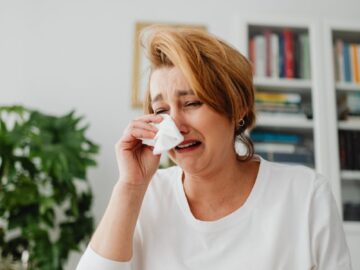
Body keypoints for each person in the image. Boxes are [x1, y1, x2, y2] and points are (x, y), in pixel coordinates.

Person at [77, 26, 352, 270]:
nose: (175, 125)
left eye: (192, 103)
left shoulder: (306, 196)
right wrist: (130, 188)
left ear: (237, 108)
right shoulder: (145, 197)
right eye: (161, 110)